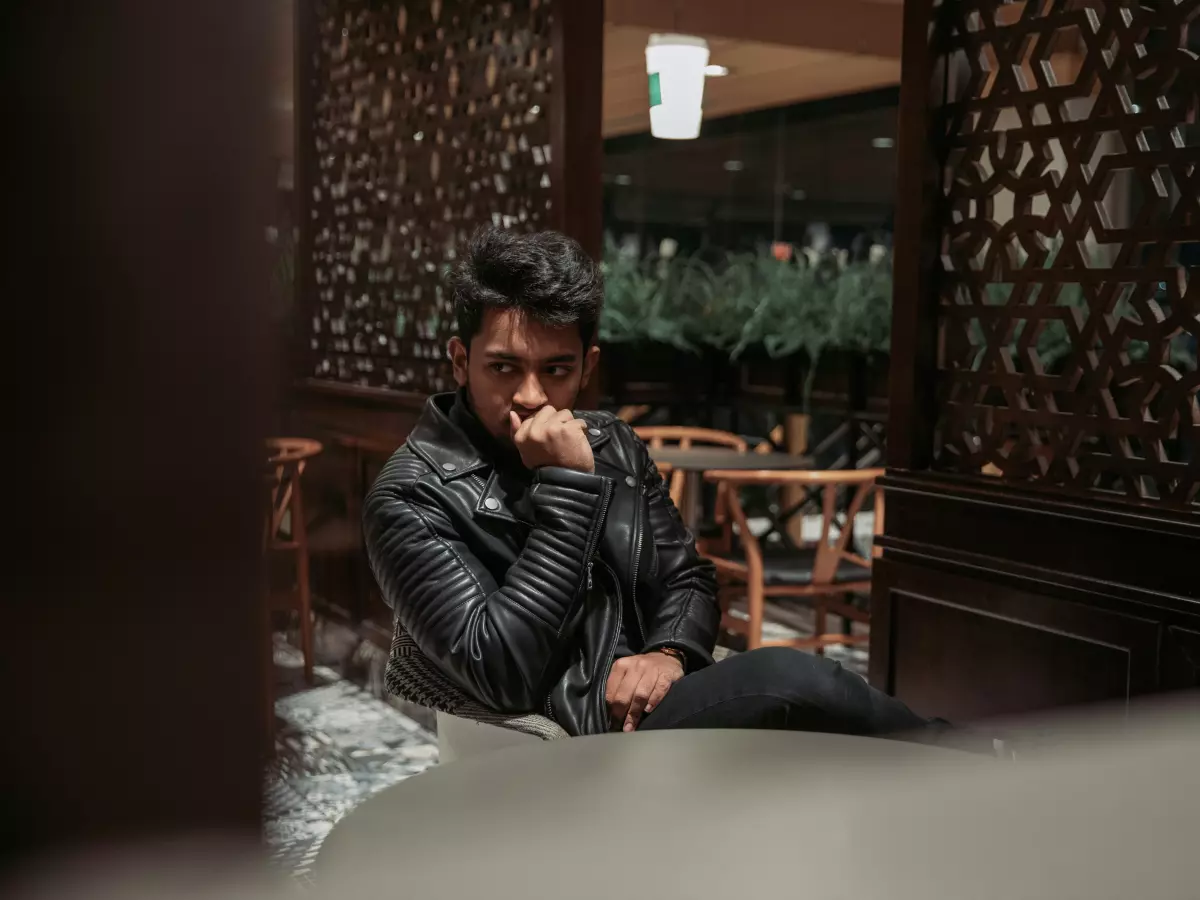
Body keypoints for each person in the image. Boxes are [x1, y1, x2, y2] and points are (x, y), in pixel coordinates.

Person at [363, 227, 937, 739]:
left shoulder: (612, 443)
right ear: (460, 361)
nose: (532, 395)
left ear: (588, 367)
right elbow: (502, 675)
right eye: (503, 367)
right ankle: (968, 759)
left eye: (556, 370)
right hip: (577, 733)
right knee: (788, 679)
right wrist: (567, 485)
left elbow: (687, 576)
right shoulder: (410, 494)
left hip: (654, 700)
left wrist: (668, 653)